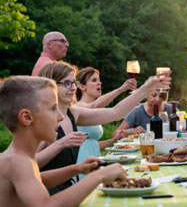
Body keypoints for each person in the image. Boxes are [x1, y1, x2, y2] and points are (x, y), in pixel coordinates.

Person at [36, 61, 170, 194]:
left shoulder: (73, 113)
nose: (73, 88)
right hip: (46, 194)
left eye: (73, 83)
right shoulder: (42, 120)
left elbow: (115, 112)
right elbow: (28, 165)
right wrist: (61, 144)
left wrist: (145, 89)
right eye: (66, 83)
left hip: (69, 189)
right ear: (50, 85)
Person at [0, 76, 128, 206]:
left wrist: (77, 169)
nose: (61, 117)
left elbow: (38, 179)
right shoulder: (17, 161)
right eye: (53, 108)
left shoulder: (20, 156)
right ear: (26, 117)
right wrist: (99, 176)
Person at [75, 67, 138, 179]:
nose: (99, 83)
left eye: (99, 80)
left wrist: (113, 141)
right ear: (82, 86)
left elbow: (91, 144)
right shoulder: (77, 107)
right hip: (81, 163)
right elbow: (94, 106)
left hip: (94, 162)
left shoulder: (92, 111)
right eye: (94, 80)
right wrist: (121, 89)